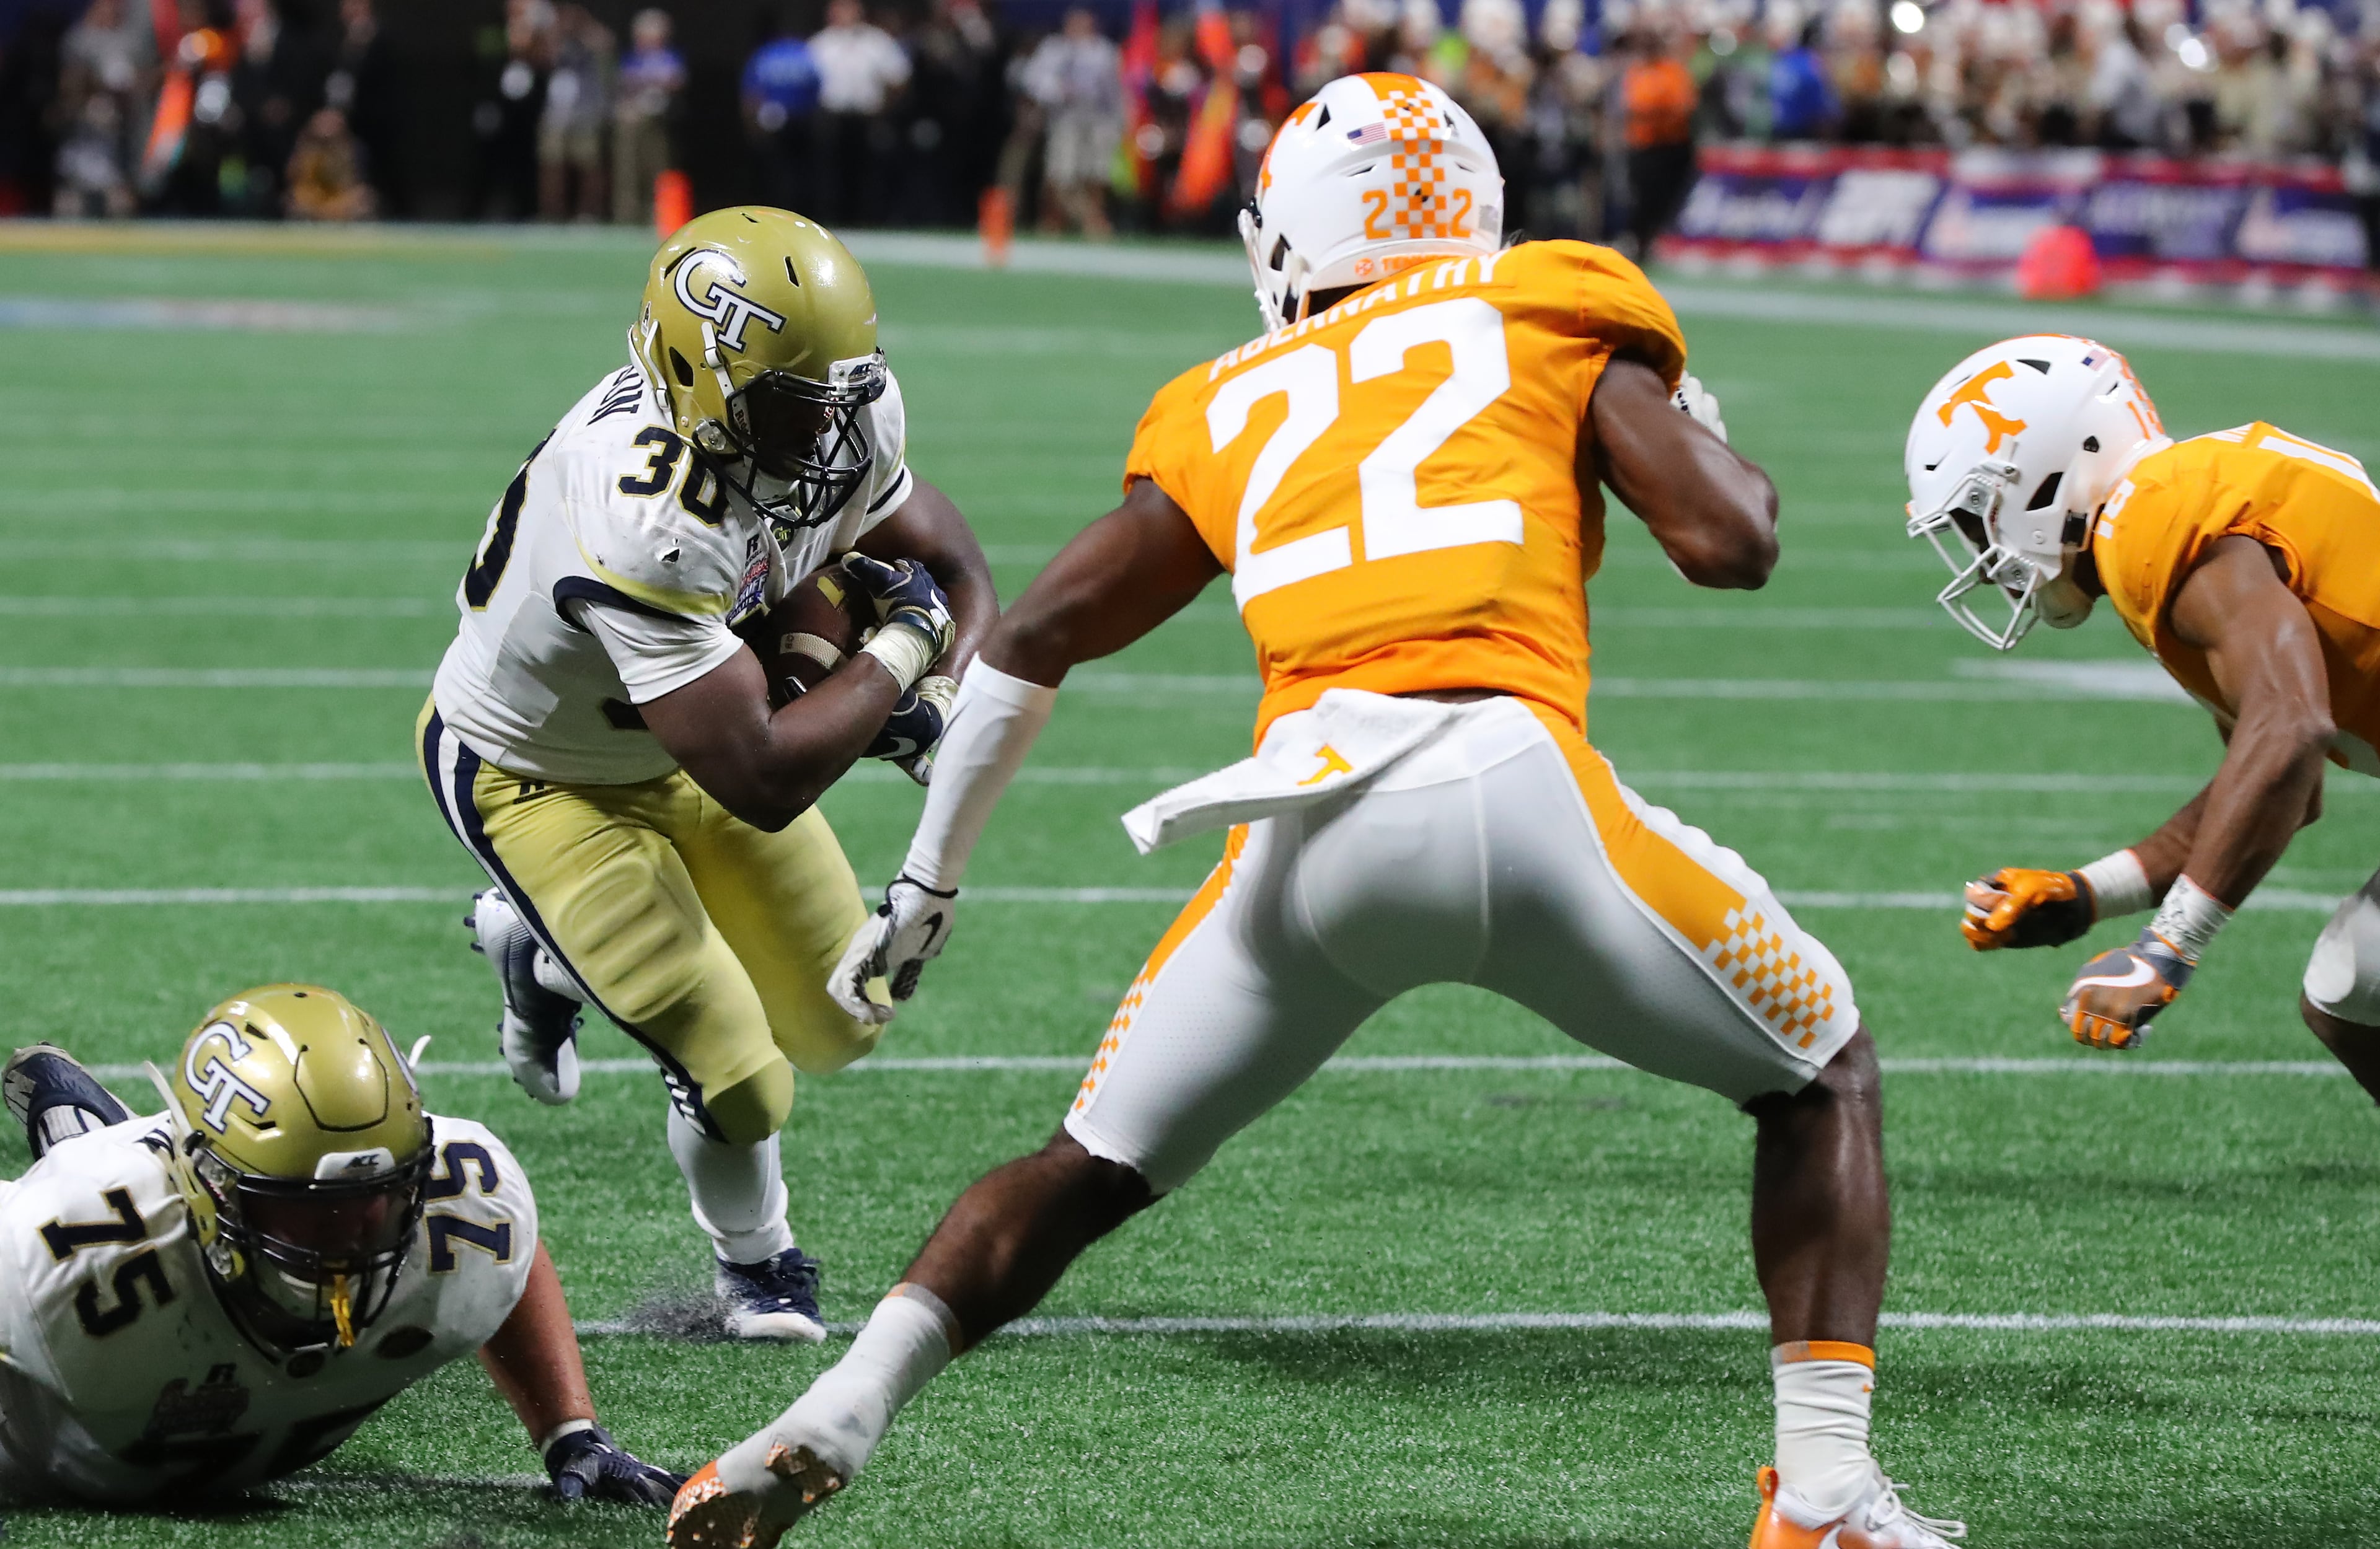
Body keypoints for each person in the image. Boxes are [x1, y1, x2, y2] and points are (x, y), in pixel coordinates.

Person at [668, 72, 1964, 1549]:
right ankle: (1823, 1493)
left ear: (1287, 239)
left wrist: (927, 887)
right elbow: (1729, 543)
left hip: (1297, 833)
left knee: (1082, 1167)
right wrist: (1685, 429)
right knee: (1817, 1067)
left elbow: (1029, 639)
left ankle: (841, 1405)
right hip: (1504, 783)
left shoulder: (1229, 392)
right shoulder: (1542, 302)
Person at [421, 208, 995, 1345]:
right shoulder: (640, 505)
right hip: (544, 771)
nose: (828, 437)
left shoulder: (840, 413)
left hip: (698, 723)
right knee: (739, 1076)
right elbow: (766, 775)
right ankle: (758, 1264)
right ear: (699, 374)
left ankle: (545, 955)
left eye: (839, 401)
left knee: (849, 1015)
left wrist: (931, 687)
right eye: (794, 408)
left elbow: (957, 568)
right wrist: (895, 654)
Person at [1906, 336, 2380, 1077]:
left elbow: (2291, 733)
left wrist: (2168, 948)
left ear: (2044, 473)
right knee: (2356, 989)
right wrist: (2090, 894)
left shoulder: (2152, 528)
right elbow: (2283, 785)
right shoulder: (2166, 507)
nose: (1984, 551)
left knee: (2354, 987)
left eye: (1978, 517)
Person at [0, 986, 677, 1506]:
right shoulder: (54, 1253)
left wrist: (570, 1431)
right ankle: (86, 1137)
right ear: (212, 1191)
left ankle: (89, 1128)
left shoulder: (461, 1195)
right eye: (312, 1211)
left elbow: (506, 1255)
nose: (354, 1235)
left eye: (380, 1196)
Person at [808, 0, 911, 226]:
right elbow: (808, 83)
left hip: (867, 119)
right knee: (831, 173)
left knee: (868, 174)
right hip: (832, 118)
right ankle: (832, 221)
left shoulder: (877, 42)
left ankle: (867, 221)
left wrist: (885, 108)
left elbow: (899, 78)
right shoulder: (820, 44)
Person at [1022, 7, 1123, 237]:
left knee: (1094, 174)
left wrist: (1119, 121)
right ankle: (1070, 221)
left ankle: (1087, 222)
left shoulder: (1104, 51)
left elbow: (1115, 90)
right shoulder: (1054, 49)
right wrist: (1057, 90)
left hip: (1098, 120)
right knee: (1060, 173)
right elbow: (1032, 80)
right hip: (1065, 119)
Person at [539, 2, 614, 221]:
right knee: (552, 163)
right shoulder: (554, 38)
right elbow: (541, 57)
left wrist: (583, 26)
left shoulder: (592, 37)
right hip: (556, 112)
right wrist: (556, 31)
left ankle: (588, 212)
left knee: (589, 164)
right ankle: (552, 213)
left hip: (585, 111)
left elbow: (605, 44)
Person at [743, 10, 821, 214]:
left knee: (778, 171)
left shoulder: (767, 54)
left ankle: (777, 209)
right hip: (802, 120)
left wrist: (752, 125)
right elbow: (819, 88)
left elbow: (752, 94)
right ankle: (799, 211)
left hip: (776, 121)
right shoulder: (804, 53)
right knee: (800, 171)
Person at [613, 7, 683, 226]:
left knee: (658, 168)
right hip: (634, 119)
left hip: (659, 120)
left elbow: (676, 80)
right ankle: (627, 215)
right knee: (628, 168)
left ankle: (660, 215)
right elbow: (624, 83)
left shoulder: (669, 57)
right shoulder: (633, 58)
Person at [284, 103, 374, 220]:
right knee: (295, 201)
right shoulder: (304, 147)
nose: (327, 127)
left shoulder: (354, 148)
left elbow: (358, 182)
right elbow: (293, 178)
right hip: (312, 198)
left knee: (364, 200)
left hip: (342, 197)